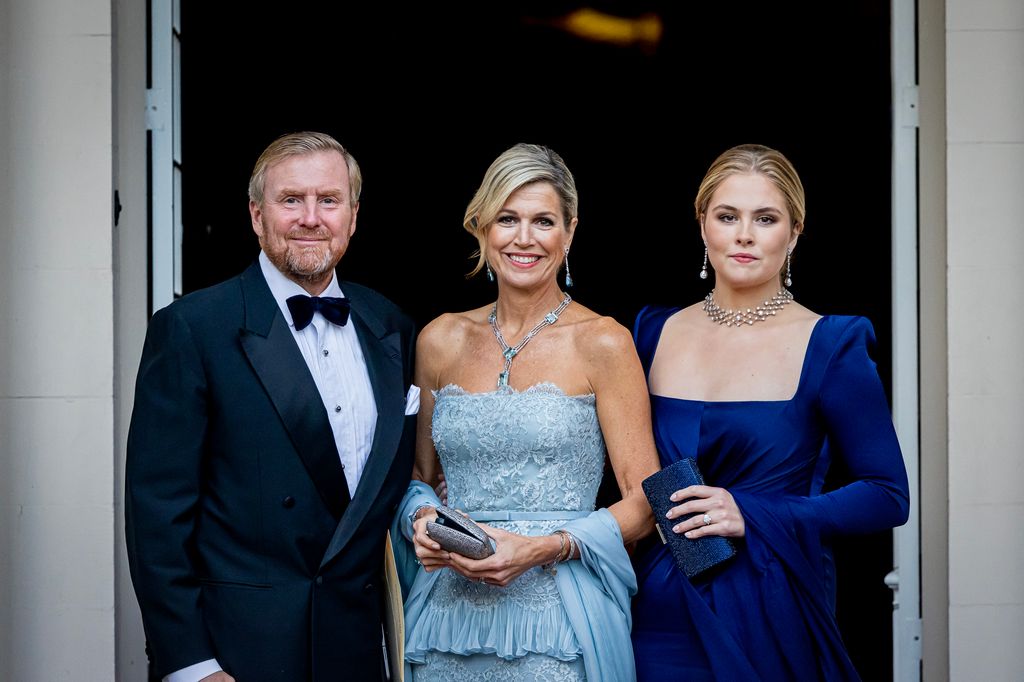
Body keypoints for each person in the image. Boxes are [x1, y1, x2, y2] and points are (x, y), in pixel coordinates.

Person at [125, 131, 418, 682]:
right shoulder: (192, 328)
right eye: (291, 200)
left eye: (328, 200)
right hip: (239, 655)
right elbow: (157, 516)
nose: (311, 217)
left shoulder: (393, 327)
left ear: (353, 217)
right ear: (257, 215)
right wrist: (192, 665)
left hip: (358, 651)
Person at [629, 143, 911, 680]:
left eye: (766, 218)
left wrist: (752, 512)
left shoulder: (831, 343)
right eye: (727, 216)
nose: (744, 234)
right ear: (702, 224)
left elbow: (887, 495)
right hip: (656, 604)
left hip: (770, 599)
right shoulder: (651, 331)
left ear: (795, 232)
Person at [393, 143, 660, 681]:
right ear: (482, 227)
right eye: (507, 219)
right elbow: (417, 477)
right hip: (448, 622)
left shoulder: (604, 342)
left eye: (543, 221)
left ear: (571, 231)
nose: (523, 238)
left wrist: (542, 548)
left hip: (559, 623)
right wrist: (422, 522)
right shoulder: (439, 340)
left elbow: (644, 500)